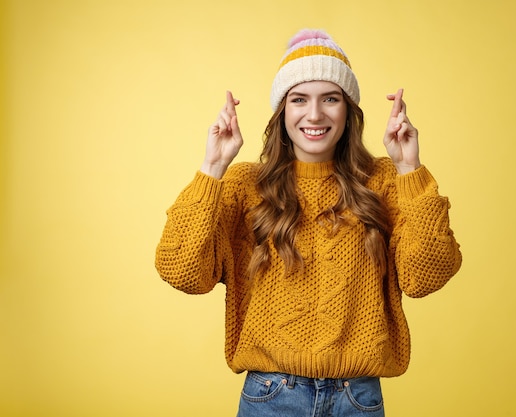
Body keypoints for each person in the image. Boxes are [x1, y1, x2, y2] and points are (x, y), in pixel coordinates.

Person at [155, 28, 462, 417]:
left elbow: (427, 277)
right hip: (270, 395)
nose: (314, 115)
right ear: (282, 111)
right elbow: (181, 271)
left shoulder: (384, 182)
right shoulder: (245, 186)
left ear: (348, 110)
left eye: (330, 99)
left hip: (358, 399)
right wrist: (212, 168)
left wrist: (409, 168)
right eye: (299, 99)